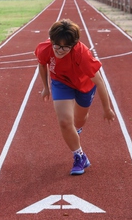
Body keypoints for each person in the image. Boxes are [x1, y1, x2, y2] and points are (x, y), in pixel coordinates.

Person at [35, 19, 116, 175]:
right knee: (65, 122)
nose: (60, 50)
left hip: (84, 85)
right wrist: (46, 87)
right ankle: (79, 156)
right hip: (61, 82)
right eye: (57, 46)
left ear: (74, 45)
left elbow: (99, 81)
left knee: (78, 120)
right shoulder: (45, 48)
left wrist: (107, 108)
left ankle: (76, 130)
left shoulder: (82, 54)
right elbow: (42, 64)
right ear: (51, 41)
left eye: (65, 47)